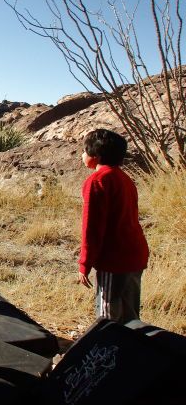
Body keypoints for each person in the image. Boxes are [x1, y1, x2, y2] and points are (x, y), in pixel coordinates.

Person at [77, 129, 149, 324]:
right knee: (130, 315)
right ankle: (133, 350)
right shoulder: (125, 179)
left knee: (108, 317)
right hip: (135, 254)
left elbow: (92, 227)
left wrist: (84, 264)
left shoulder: (97, 181)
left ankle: (111, 352)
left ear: (96, 156)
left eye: (84, 151)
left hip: (114, 259)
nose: (82, 155)